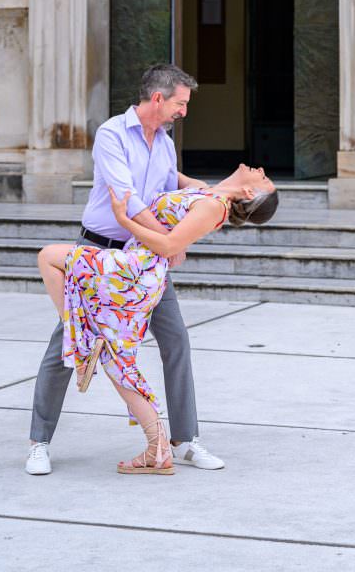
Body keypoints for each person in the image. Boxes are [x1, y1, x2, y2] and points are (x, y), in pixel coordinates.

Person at [26, 64, 219, 474]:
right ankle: (39, 442)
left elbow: (166, 185)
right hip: (99, 252)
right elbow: (127, 199)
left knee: (175, 340)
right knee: (66, 346)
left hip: (144, 258)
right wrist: (171, 243)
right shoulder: (111, 134)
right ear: (157, 99)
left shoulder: (164, 141)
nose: (183, 112)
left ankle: (185, 439)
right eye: (180, 104)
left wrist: (197, 188)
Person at [37, 163, 278, 474]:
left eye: (264, 177)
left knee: (48, 258)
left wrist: (124, 218)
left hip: (137, 268)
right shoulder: (206, 191)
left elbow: (168, 245)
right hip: (136, 264)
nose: (259, 168)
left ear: (249, 192)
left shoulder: (213, 207)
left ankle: (82, 339)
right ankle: (157, 446)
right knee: (117, 357)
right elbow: (163, 165)